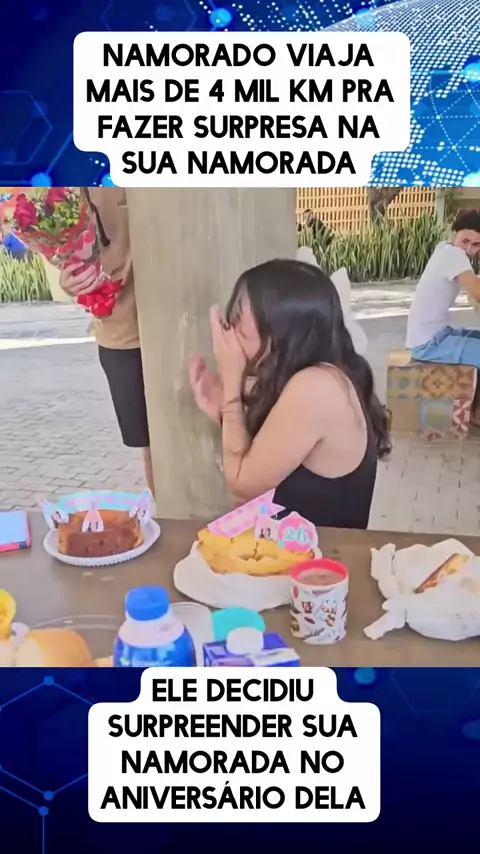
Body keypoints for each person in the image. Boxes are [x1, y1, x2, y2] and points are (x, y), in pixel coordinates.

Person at [189, 258, 390, 529]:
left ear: (283, 339)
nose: (228, 341)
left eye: (240, 331)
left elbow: (243, 487)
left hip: (319, 554)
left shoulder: (317, 388)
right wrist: (225, 413)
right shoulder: (315, 375)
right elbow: (267, 458)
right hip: (293, 546)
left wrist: (231, 384)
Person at [58, 188, 154, 495]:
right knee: (153, 447)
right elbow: (64, 256)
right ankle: (171, 518)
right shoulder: (74, 178)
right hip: (122, 332)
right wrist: (70, 281)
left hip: (188, 316)